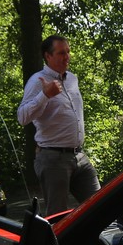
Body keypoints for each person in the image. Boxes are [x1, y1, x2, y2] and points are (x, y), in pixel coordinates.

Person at [17, 34, 100, 215]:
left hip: (79, 155)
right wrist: (45, 95)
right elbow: (22, 117)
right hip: (53, 159)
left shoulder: (72, 79)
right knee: (58, 216)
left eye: (68, 52)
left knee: (100, 204)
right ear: (48, 56)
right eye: (61, 53)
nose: (67, 56)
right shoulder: (37, 81)